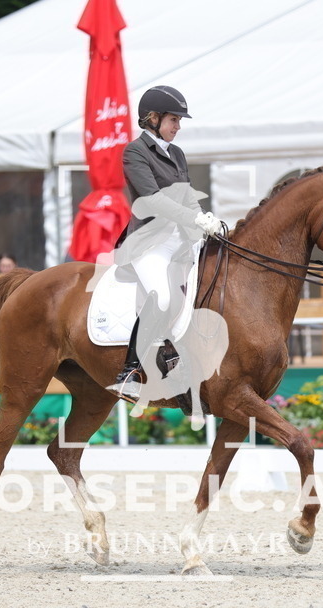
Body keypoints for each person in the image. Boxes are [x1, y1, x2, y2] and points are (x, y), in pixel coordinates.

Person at [108, 86, 224, 400]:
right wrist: (195, 220)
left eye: (178, 120)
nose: (178, 126)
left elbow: (187, 196)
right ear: (153, 118)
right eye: (173, 119)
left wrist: (206, 218)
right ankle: (129, 371)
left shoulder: (177, 154)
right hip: (151, 243)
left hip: (183, 240)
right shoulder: (135, 152)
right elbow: (154, 200)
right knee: (161, 298)